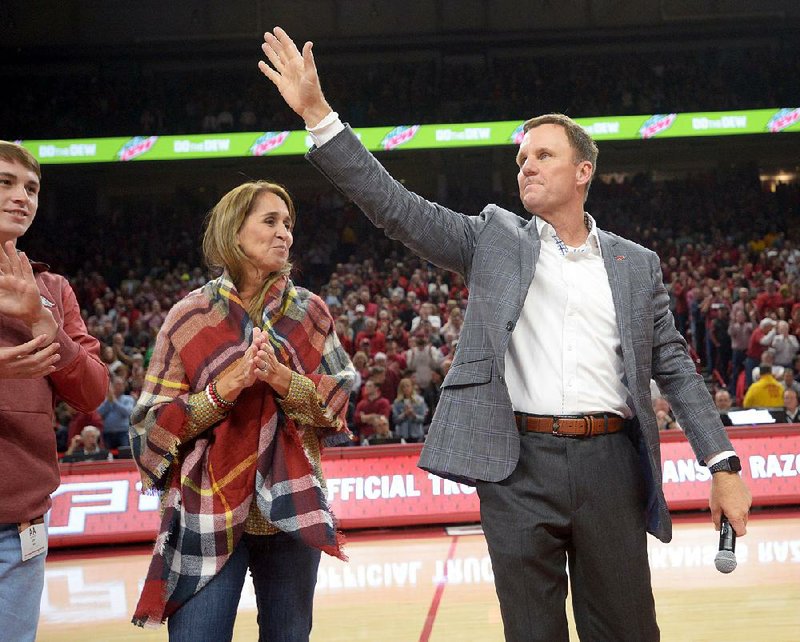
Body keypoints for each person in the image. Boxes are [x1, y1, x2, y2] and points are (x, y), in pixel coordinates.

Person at [259, 30, 752, 641]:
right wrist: (319, 117)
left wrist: (723, 463)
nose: (526, 166)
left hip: (611, 464)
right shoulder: (493, 240)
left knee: (627, 632)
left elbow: (675, 366)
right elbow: (395, 207)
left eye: (542, 155)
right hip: (518, 465)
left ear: (583, 171)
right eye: (521, 159)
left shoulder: (635, 263)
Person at [129, 180, 355, 640]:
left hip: (291, 509)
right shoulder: (188, 316)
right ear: (234, 232)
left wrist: (280, 379)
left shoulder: (310, 311)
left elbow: (337, 401)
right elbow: (151, 425)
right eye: (270, 221)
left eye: (288, 224)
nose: (284, 234)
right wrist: (225, 388)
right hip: (204, 509)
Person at [0, 140, 108, 641]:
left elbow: (93, 391)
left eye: (31, 188)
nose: (22, 197)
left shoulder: (53, 289)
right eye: (6, 183)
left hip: (22, 523)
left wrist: (42, 322)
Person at [97, 374, 136, 451]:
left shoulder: (128, 399)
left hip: (123, 432)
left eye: (122, 384)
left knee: (124, 455)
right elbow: (99, 413)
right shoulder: (106, 400)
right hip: (108, 433)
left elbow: (128, 412)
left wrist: (114, 402)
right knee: (109, 456)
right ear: (112, 386)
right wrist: (108, 401)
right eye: (118, 384)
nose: (120, 386)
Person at [353, 378, 391, 444]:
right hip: (365, 435)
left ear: (376, 388)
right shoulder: (361, 404)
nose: (366, 388)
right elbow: (356, 419)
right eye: (366, 386)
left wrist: (365, 417)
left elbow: (383, 418)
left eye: (369, 386)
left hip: (380, 435)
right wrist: (374, 416)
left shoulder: (384, 402)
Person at [391, 377, 428, 443]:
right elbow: (395, 420)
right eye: (403, 387)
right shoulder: (397, 402)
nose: (406, 389)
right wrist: (404, 414)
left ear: (412, 387)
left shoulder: (420, 401)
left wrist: (413, 415)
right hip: (402, 434)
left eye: (407, 386)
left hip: (417, 434)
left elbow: (423, 419)